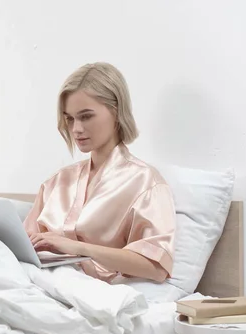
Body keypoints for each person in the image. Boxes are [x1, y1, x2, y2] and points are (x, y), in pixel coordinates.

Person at [24, 62, 175, 283]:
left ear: (116, 112)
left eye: (86, 116)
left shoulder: (146, 183)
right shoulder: (56, 183)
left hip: (91, 293)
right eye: (70, 119)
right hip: (40, 284)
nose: (76, 129)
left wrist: (78, 248)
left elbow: (156, 267)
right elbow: (24, 245)